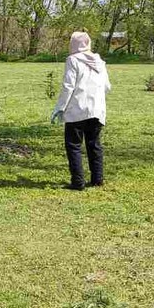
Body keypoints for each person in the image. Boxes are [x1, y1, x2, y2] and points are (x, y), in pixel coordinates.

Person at [51, 31, 110, 191]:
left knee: (74, 145)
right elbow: (107, 87)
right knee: (94, 144)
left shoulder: (73, 60)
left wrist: (59, 108)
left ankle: (78, 182)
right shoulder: (100, 62)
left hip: (77, 109)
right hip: (96, 110)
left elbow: (68, 86)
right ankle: (97, 179)